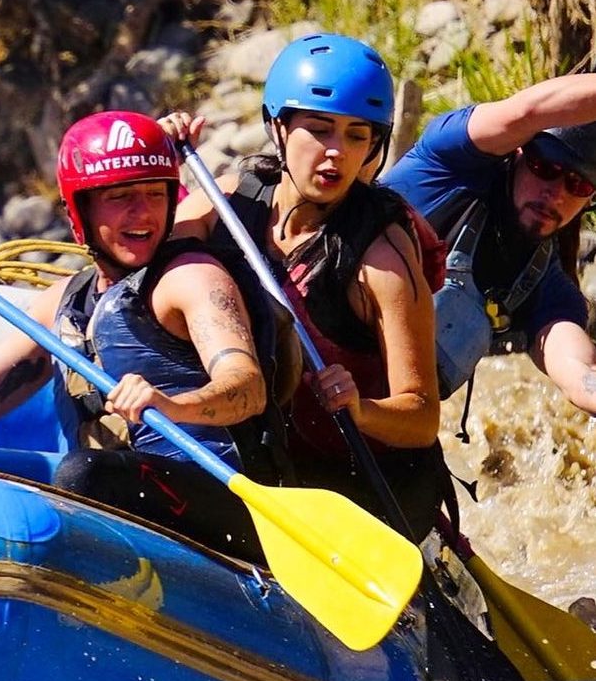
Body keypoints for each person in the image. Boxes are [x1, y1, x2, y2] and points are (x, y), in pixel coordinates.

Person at [0, 111, 272, 531]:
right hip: (123, 506)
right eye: (120, 198)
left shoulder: (189, 278)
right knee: (76, 479)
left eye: (154, 194)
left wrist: (171, 405)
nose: (143, 214)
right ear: (80, 211)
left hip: (218, 507)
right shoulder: (62, 303)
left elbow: (248, 388)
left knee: (83, 474)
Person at [169, 32, 443, 542]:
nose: (336, 154)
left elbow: (422, 417)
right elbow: (147, 263)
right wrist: (163, 157)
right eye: (319, 130)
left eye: (357, 136)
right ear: (278, 127)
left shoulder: (381, 259)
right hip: (270, 462)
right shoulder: (231, 201)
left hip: (366, 485)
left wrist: (362, 408)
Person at [382, 75, 596, 413]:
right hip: (309, 356)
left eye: (577, 185)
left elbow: (578, 371)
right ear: (518, 152)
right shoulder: (445, 167)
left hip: (383, 415)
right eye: (545, 167)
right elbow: (526, 112)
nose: (555, 193)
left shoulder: (549, 287)